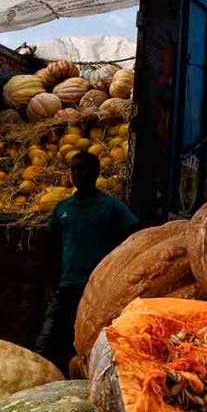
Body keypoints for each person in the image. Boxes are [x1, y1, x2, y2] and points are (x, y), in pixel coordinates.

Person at [35, 151, 138, 373]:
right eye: (73, 169)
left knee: (92, 342)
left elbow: (136, 234)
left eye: (83, 169)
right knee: (46, 342)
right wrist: (49, 285)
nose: (77, 174)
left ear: (96, 173)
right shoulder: (63, 208)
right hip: (66, 285)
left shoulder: (110, 206)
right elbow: (48, 247)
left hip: (97, 288)